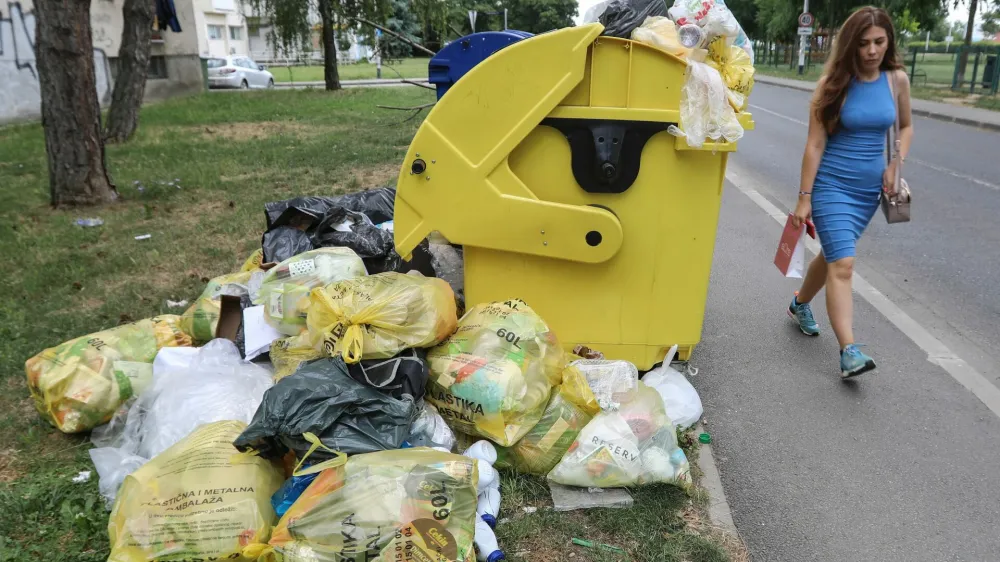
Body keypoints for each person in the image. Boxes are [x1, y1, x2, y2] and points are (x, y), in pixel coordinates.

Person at [787, 6, 913, 378]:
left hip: (868, 193)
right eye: (863, 43)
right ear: (850, 45)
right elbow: (814, 145)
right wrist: (804, 198)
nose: (872, 50)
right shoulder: (832, 85)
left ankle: (799, 303)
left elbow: (906, 127)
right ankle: (849, 351)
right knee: (844, 264)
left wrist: (896, 161)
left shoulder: (896, 80)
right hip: (831, 187)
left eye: (879, 41)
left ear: (888, 41)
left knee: (832, 256)